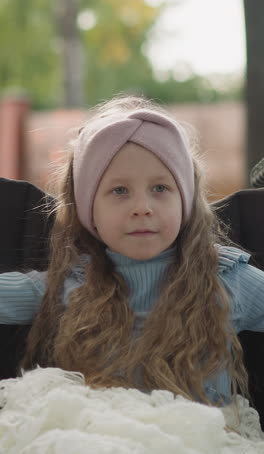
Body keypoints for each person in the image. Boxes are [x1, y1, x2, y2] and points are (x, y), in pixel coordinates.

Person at [0, 94, 264, 408]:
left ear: (185, 201)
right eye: (120, 191)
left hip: (196, 447)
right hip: (96, 442)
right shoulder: (70, 282)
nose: (142, 208)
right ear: (89, 209)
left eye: (160, 188)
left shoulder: (225, 278)